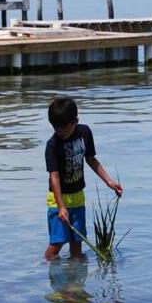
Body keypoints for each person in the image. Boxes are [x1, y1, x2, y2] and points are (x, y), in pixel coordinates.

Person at [44, 96, 123, 260]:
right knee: (57, 242)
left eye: (64, 128)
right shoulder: (52, 145)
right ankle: (45, 270)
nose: (60, 132)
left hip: (78, 198)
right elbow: (54, 176)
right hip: (57, 200)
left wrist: (109, 181)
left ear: (75, 121)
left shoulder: (84, 133)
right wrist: (61, 207)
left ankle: (75, 283)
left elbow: (91, 159)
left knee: (76, 244)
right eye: (56, 128)